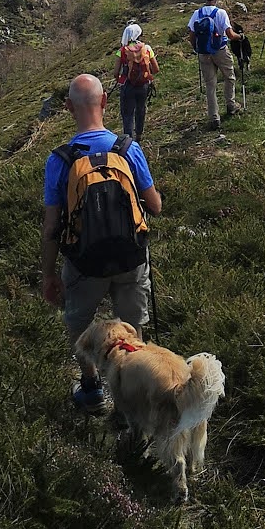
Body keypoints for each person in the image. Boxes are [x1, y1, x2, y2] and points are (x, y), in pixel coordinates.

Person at [40, 74, 163, 414]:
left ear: (69, 107)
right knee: (133, 327)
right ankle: (133, 400)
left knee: (79, 323)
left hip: (85, 264)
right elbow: (155, 206)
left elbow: (51, 227)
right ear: (105, 101)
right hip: (129, 258)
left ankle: (92, 387)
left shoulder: (60, 160)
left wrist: (48, 274)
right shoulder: (128, 149)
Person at [188, 0, 237, 128]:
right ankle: (231, 105)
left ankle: (214, 117)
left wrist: (197, 48)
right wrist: (240, 37)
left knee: (210, 85)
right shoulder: (221, 13)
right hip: (220, 50)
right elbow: (230, 34)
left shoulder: (197, 13)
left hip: (204, 53)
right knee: (229, 77)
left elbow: (191, 35)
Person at [115, 21, 158, 140]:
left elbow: (115, 72)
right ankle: (139, 135)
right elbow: (156, 69)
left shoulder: (122, 51)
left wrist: (120, 80)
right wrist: (145, 74)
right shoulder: (147, 49)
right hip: (143, 85)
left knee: (127, 113)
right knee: (141, 109)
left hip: (127, 86)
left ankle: (128, 139)